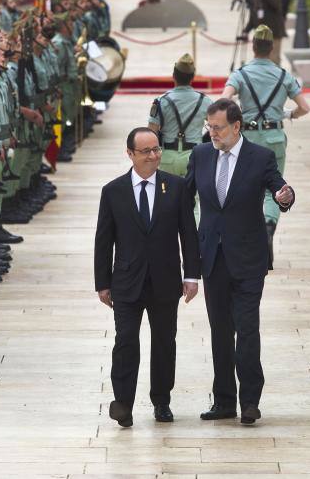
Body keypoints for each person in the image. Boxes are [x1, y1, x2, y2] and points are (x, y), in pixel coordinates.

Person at [185, 98, 295, 425]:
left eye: (218, 128)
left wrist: (285, 196)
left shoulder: (260, 157)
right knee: (220, 331)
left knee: (247, 330)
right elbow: (183, 195)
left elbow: (280, 188)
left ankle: (250, 400)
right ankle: (223, 401)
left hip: (248, 258)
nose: (212, 133)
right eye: (209, 127)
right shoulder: (201, 154)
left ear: (236, 126)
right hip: (213, 258)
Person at [94, 127, 201, 427]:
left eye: (156, 149)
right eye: (146, 151)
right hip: (126, 282)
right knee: (126, 342)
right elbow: (104, 239)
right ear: (130, 154)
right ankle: (123, 403)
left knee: (165, 342)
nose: (154, 156)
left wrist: (192, 275)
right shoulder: (113, 191)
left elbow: (188, 235)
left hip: (165, 281)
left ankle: (162, 401)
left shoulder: (176, 187)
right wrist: (102, 282)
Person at [222, 25, 309, 266]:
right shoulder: (283, 76)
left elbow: (224, 99)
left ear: (253, 46)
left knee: (244, 188)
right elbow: (305, 107)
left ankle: (247, 242)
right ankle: (268, 227)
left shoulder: (241, 74)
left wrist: (237, 117)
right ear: (271, 48)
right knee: (275, 187)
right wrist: (288, 115)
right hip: (274, 138)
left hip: (247, 140)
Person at [148, 54, 211, 177]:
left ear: (173, 76)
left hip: (168, 158)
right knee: (193, 196)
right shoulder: (204, 101)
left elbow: (151, 133)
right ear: (192, 78)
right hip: (195, 157)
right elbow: (217, 126)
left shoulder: (162, 101)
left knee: (168, 195)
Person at [243, 0, 286, 65]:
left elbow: (275, 5)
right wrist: (246, 31)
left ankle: (275, 79)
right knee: (260, 62)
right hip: (261, 36)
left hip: (274, 34)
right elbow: (252, 17)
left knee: (273, 61)